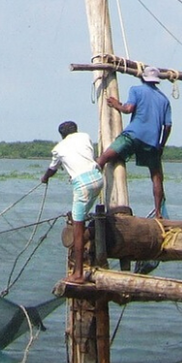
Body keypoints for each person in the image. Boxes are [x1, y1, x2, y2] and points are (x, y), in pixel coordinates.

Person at [95, 67, 173, 218]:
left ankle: (90, 183)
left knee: (103, 158)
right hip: (152, 142)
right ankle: (158, 213)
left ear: (143, 78)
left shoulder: (136, 90)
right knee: (156, 177)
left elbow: (128, 108)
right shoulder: (164, 99)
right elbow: (168, 126)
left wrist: (116, 104)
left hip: (133, 135)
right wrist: (161, 145)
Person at [42, 120, 102, 278]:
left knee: (77, 227)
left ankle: (78, 273)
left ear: (62, 135)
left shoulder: (59, 148)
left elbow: (52, 169)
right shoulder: (85, 137)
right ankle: (88, 229)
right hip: (98, 179)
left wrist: (45, 178)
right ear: (76, 130)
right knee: (80, 216)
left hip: (82, 185)